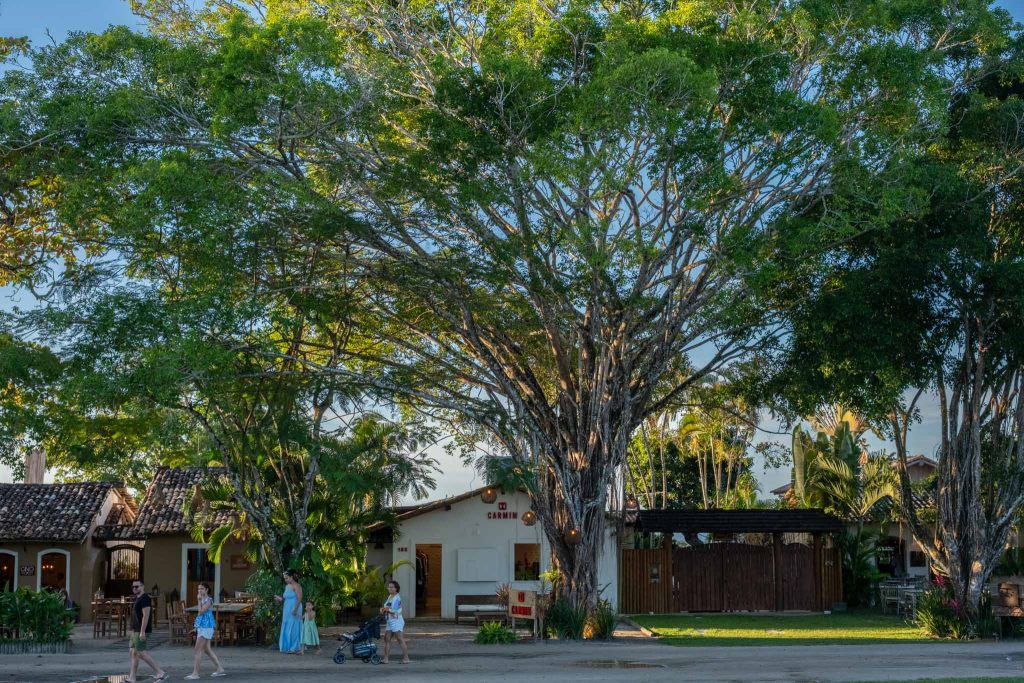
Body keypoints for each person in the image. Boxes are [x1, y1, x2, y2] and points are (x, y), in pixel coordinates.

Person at [127, 581, 167, 683]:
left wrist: (142, 631)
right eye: (133, 587)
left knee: (141, 653)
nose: (134, 588)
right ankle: (132, 677)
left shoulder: (145, 598)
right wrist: (134, 630)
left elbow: (146, 615)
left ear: (142, 587)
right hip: (135, 630)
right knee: (133, 652)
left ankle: (160, 672)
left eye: (137, 586)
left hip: (141, 630)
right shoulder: (138, 598)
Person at [186, 583, 226, 679]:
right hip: (202, 627)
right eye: (199, 589)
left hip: (206, 627)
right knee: (207, 650)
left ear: (207, 590)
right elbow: (199, 615)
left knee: (198, 649)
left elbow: (201, 611)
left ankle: (195, 674)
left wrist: (199, 600)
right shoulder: (203, 600)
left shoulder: (209, 600)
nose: (199, 590)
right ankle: (219, 669)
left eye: (202, 589)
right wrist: (196, 627)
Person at [273, 569, 302, 654]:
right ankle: (287, 647)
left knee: (294, 627)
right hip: (287, 609)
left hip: (295, 608)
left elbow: (299, 599)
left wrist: (295, 610)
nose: (285, 580)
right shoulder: (287, 586)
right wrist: (279, 599)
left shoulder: (297, 586)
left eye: (286, 578)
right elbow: (285, 598)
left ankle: (294, 648)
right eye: (284, 578)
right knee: (287, 626)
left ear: (291, 577)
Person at [380, 580, 409, 664]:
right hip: (390, 620)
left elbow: (394, 611)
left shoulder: (397, 598)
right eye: (389, 587)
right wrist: (383, 609)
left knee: (400, 639)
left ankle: (406, 658)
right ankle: (386, 659)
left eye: (392, 587)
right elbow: (387, 607)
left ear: (396, 588)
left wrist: (385, 610)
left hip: (396, 621)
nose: (389, 588)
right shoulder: (390, 596)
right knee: (387, 639)